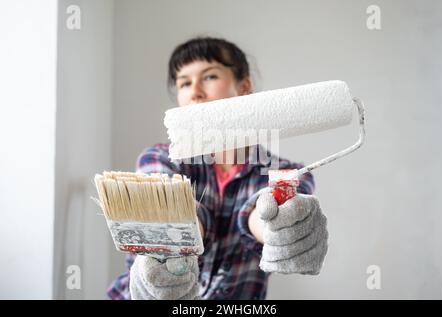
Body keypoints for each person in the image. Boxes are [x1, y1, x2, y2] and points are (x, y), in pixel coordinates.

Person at [107, 37, 328, 300]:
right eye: (184, 83)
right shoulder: (158, 159)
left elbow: (263, 213)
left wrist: (278, 227)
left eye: (209, 77)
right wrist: (178, 244)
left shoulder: (286, 173)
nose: (195, 92)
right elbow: (178, 218)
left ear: (244, 87)